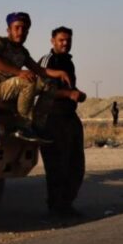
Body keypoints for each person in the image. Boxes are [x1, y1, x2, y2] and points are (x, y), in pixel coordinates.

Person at [0, 12, 72, 142]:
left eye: (25, 29)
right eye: (17, 28)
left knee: (48, 83)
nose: (21, 32)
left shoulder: (22, 52)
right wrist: (18, 72)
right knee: (27, 80)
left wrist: (60, 73)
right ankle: (22, 126)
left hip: (8, 91)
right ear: (9, 30)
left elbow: (39, 70)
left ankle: (37, 126)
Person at [33, 27, 87, 217]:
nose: (65, 43)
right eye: (62, 40)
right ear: (52, 41)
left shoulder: (68, 63)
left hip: (68, 117)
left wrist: (77, 93)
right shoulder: (48, 61)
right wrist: (69, 94)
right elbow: (39, 89)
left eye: (68, 40)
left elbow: (69, 88)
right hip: (51, 119)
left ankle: (66, 204)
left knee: (76, 165)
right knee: (57, 166)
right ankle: (56, 207)